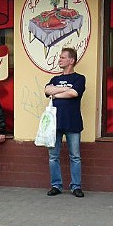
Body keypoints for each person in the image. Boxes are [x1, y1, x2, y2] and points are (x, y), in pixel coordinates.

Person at [44, 47, 86, 198]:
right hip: (54, 123)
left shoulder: (79, 79)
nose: (59, 60)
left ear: (71, 61)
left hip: (73, 123)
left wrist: (57, 93)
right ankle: (56, 185)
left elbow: (74, 93)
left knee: (75, 156)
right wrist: (64, 90)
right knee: (53, 156)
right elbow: (47, 90)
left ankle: (76, 186)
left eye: (62, 57)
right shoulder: (55, 79)